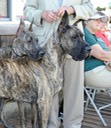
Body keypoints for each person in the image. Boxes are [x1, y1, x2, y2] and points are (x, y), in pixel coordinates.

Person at [23, 1, 96, 128]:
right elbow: (27, 10)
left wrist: (72, 9)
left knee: (74, 88)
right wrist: (41, 14)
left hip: (74, 45)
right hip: (46, 46)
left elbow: (90, 8)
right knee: (48, 89)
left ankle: (73, 124)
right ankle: (51, 124)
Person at [83, 12, 111, 88]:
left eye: (100, 20)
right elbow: (101, 55)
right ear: (86, 21)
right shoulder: (85, 33)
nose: (99, 22)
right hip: (94, 72)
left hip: (102, 69)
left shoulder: (92, 35)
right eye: (95, 20)